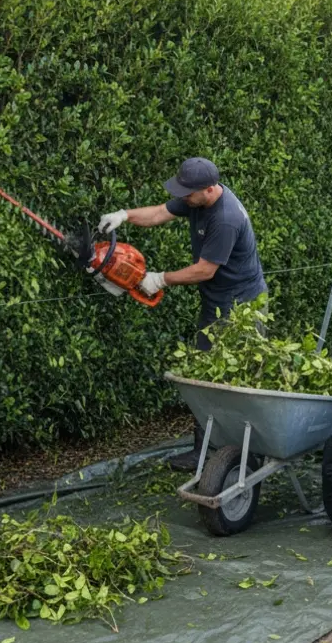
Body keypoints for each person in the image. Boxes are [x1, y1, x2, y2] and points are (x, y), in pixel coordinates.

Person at [98, 157, 268, 469]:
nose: (184, 198)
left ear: (209, 189)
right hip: (217, 301)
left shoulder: (225, 218)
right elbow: (160, 213)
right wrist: (124, 216)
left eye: (188, 193)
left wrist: (159, 279)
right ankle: (203, 453)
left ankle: (247, 454)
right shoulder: (197, 200)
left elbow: (204, 270)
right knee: (203, 374)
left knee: (238, 379)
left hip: (243, 306)